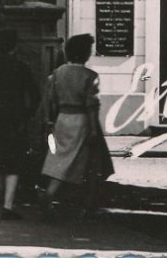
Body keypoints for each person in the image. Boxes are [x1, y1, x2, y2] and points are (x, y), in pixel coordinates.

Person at [39, 33, 114, 218]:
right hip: (81, 120)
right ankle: (84, 204)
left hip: (62, 119)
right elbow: (91, 105)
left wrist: (50, 122)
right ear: (85, 53)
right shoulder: (90, 76)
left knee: (59, 160)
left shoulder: (57, 74)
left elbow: (51, 100)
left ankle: (50, 193)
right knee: (87, 162)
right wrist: (94, 130)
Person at [0, 28, 41, 220]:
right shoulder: (21, 66)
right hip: (17, 118)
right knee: (14, 162)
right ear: (14, 46)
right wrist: (28, 114)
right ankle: (7, 206)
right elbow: (35, 95)